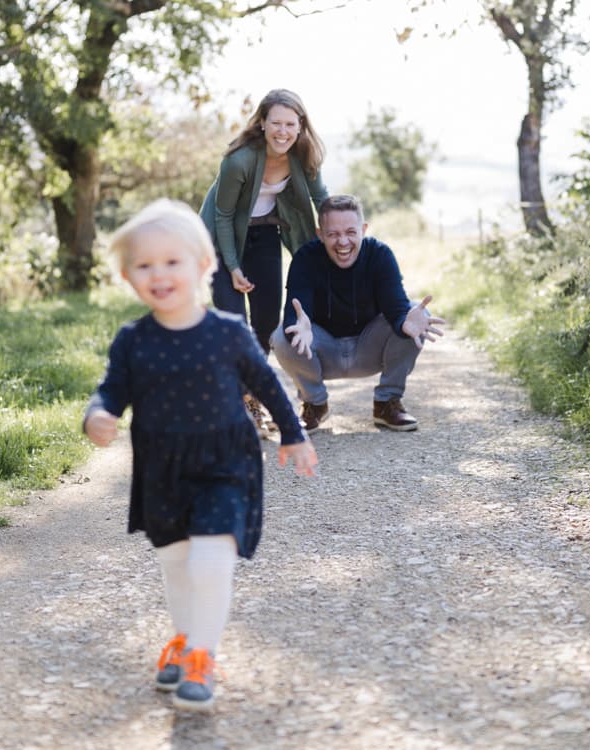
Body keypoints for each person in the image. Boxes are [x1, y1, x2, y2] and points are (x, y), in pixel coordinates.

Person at [82, 199, 318, 713]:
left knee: (211, 561)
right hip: (161, 471)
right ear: (128, 276)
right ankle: (185, 638)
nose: (159, 274)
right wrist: (97, 415)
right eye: (145, 265)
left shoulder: (227, 333)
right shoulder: (133, 341)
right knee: (177, 564)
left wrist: (294, 433)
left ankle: (202, 656)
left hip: (224, 465)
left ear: (204, 267)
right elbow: (110, 391)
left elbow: (267, 383)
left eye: (173, 261)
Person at [199, 88, 329, 435]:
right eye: (276, 123)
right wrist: (232, 266)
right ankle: (244, 405)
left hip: (264, 236)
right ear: (262, 123)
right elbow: (224, 215)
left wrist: (344, 226)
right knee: (235, 324)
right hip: (220, 239)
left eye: (290, 124)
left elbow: (322, 198)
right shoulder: (239, 160)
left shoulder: (304, 156)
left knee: (267, 320)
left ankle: (248, 392)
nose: (283, 131)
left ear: (301, 126)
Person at [269, 194, 446, 433]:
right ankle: (315, 404)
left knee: (415, 319)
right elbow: (295, 313)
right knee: (283, 335)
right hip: (323, 351)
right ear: (320, 234)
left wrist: (405, 321)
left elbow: (396, 307)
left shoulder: (379, 255)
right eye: (333, 234)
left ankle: (387, 403)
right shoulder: (305, 259)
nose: (343, 242)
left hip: (368, 349)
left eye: (351, 232)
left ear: (363, 229)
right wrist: (298, 326)